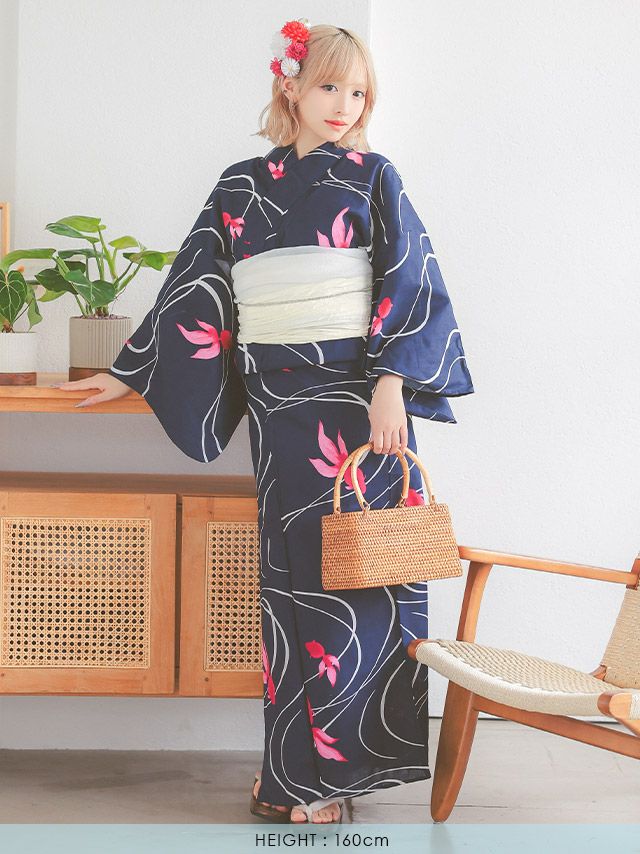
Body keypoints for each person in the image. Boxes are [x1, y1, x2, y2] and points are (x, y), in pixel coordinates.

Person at [52, 20, 474, 824]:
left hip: (362, 405)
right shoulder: (243, 185)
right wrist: (127, 368)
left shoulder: (373, 176)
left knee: (363, 581)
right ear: (291, 86)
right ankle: (290, 777)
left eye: (359, 92)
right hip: (282, 407)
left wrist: (394, 381)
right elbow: (199, 284)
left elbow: (412, 279)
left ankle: (336, 778)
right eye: (329, 86)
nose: (345, 105)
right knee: (290, 590)